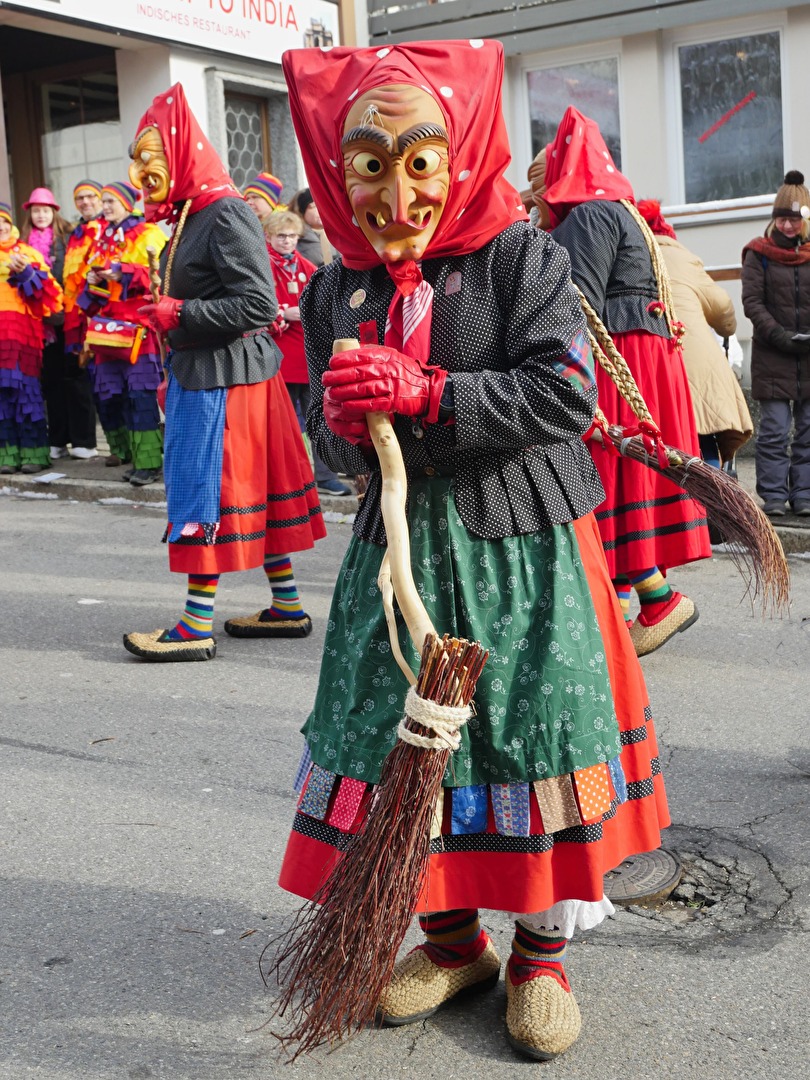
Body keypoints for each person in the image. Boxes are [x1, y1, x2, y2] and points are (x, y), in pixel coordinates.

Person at [276, 41, 669, 1061]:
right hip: (397, 559)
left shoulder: (521, 259)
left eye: (419, 160)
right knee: (393, 745)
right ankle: (452, 944)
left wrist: (431, 393)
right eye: (369, 162)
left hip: (519, 542)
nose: (396, 191)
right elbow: (332, 447)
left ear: (462, 156)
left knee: (523, 737)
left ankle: (539, 957)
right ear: (337, 167)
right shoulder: (336, 293)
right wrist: (343, 420)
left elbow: (564, 394)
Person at [122, 83, 326, 663]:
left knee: (206, 495)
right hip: (216, 373)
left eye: (150, 158)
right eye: (137, 161)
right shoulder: (191, 211)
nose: (142, 171)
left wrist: (179, 312)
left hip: (224, 382)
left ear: (182, 152)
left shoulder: (224, 211)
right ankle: (286, 606)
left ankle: (193, 626)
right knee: (251, 493)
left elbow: (259, 306)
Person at [529, 108, 711, 656]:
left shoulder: (587, 216)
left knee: (602, 477)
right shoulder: (622, 210)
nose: (536, 192)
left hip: (617, 358)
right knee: (625, 482)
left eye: (540, 183)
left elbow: (574, 301)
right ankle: (637, 602)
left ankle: (644, 603)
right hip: (647, 355)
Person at [637, 199, 752, 470]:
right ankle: (711, 500)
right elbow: (722, 306)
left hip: (646, 361)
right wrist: (728, 330)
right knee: (702, 434)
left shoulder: (626, 256)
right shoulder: (684, 258)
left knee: (660, 443)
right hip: (694, 360)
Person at [79, 181, 166, 484]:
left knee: (141, 395)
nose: (105, 207)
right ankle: (135, 457)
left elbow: (161, 276)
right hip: (108, 331)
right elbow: (96, 293)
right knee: (117, 396)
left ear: (128, 204)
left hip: (139, 328)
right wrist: (94, 278)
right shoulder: (102, 239)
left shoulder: (149, 233)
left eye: (110, 201)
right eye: (103, 202)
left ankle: (150, 463)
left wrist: (123, 271)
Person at [264, 210, 352, 497]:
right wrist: (282, 314)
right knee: (285, 422)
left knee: (320, 416)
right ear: (269, 236)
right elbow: (255, 307)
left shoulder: (306, 266)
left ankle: (324, 475)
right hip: (278, 356)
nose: (288, 241)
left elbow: (322, 305)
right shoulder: (263, 267)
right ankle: (290, 478)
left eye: (292, 236)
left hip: (307, 355)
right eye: (281, 236)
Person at [741, 170, 810, 517]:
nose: (787, 226)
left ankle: (805, 495)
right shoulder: (759, 254)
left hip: (808, 358)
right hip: (773, 356)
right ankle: (774, 498)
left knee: (809, 432)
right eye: (782, 218)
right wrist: (778, 334)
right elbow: (752, 302)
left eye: (794, 219)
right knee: (774, 432)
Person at [24, 184, 99, 461]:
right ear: (30, 215)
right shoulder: (24, 242)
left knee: (76, 376)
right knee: (51, 380)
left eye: (45, 210)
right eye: (36, 211)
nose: (41, 215)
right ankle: (57, 439)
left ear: (53, 212)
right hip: (41, 324)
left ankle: (84, 440)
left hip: (70, 317)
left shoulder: (69, 236)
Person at [0, 201, 63, 474]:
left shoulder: (28, 253)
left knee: (26, 394)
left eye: (3, 221)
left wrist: (25, 273)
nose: (0, 227)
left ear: (10, 223)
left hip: (22, 339)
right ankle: (7, 456)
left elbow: (52, 299)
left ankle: (34, 453)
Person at [290, 187, 338, 267]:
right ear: (302, 211)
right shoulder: (295, 237)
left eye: (325, 205)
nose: (322, 210)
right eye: (315, 206)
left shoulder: (338, 233)